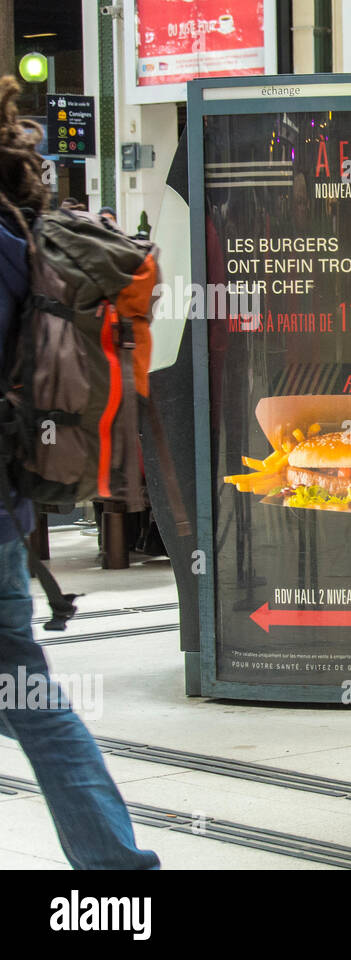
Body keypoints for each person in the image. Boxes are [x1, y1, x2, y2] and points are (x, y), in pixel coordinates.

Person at [0, 75, 159, 869]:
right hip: (7, 513)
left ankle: (119, 872)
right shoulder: (20, 241)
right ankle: (117, 869)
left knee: (29, 702)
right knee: (28, 701)